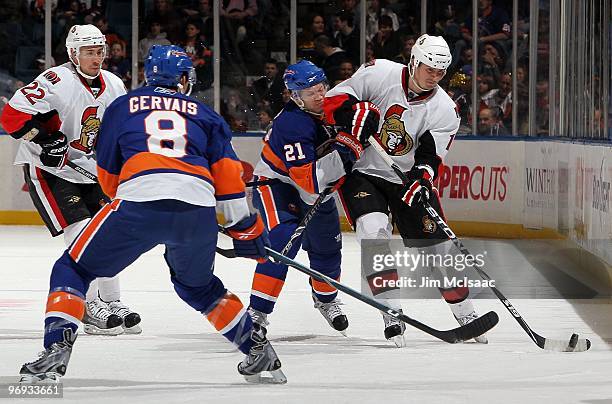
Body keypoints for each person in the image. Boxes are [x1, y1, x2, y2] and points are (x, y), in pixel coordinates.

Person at [18, 44, 286, 385]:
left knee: (73, 268)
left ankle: (56, 350)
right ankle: (258, 352)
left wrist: (129, 199)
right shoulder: (205, 115)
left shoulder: (122, 106)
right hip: (198, 210)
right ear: (184, 80)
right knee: (200, 288)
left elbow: (108, 173)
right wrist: (244, 228)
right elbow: (230, 178)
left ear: (148, 76)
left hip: (138, 203)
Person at [324, 34, 488, 347]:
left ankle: (465, 312)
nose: (434, 76)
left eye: (440, 71)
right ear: (414, 60)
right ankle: (391, 311)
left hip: (405, 181)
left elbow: (432, 156)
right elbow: (334, 102)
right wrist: (353, 117)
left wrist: (421, 178)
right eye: (429, 68)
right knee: (373, 233)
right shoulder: (379, 72)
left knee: (438, 250)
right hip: (364, 171)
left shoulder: (445, 110)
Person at [0, 24, 141, 336]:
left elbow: (121, 130)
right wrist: (45, 138)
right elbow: (10, 117)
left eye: (100, 51)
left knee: (109, 232)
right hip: (49, 171)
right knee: (80, 232)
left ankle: (112, 300)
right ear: (73, 54)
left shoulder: (115, 84)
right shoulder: (55, 81)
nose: (96, 57)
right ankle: (87, 305)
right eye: (89, 52)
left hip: (90, 170)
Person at [248, 60, 361, 336]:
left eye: (322, 88)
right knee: (281, 245)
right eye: (311, 93)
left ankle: (325, 300)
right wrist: (347, 153)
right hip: (278, 186)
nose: (320, 96)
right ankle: (257, 313)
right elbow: (308, 182)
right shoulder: (292, 124)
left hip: (315, 185)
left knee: (328, 249)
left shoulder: (335, 107)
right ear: (296, 96)